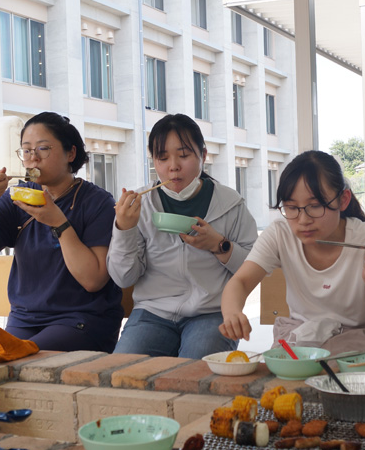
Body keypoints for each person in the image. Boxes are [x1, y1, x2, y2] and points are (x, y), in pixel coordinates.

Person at [0, 112, 123, 353]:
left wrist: (58, 222)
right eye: (26, 151)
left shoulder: (97, 202)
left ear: (71, 153)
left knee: (16, 358)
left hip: (81, 320)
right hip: (25, 319)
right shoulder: (17, 197)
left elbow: (93, 280)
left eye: (43, 149)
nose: (33, 158)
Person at [219, 150, 365, 355]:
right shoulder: (280, 233)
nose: (303, 220)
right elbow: (241, 282)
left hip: (359, 341)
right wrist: (232, 312)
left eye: (315, 206)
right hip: (303, 337)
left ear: (343, 200)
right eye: (291, 207)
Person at [108, 113, 258, 358]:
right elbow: (123, 278)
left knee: (196, 373)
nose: (173, 166)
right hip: (152, 313)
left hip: (212, 312)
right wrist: (124, 228)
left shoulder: (230, 204)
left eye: (184, 155)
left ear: (203, 156)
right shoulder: (141, 205)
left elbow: (254, 267)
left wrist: (220, 245)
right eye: (162, 157)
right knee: (126, 372)